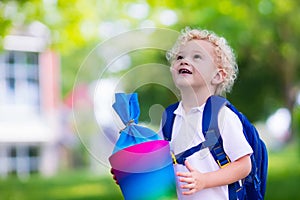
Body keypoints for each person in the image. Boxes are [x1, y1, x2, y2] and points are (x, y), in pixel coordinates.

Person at [158, 27, 253, 199]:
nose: (184, 61)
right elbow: (161, 167)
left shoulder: (222, 116)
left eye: (197, 57)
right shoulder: (169, 119)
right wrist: (134, 175)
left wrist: (204, 180)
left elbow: (244, 166)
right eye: (180, 57)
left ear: (217, 76)